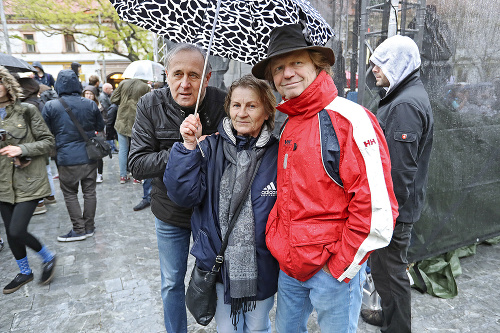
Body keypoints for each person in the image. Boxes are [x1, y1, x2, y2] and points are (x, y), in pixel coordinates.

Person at [251, 24, 398, 332]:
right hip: (290, 267)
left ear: (317, 66)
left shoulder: (349, 119)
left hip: (333, 271)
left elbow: (377, 210)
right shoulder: (287, 122)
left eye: (297, 63)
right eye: (278, 67)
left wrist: (340, 268)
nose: (287, 73)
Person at [164, 75, 279, 332]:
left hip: (262, 264)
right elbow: (183, 195)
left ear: (267, 111)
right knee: (227, 330)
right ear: (228, 108)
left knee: (259, 327)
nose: (242, 113)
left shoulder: (278, 153)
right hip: (217, 265)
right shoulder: (209, 147)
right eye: (236, 105)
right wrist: (188, 147)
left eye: (251, 105)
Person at [128, 43, 226, 333]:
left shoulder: (224, 102)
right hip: (170, 211)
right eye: (178, 74)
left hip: (212, 210)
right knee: (172, 281)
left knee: (219, 277)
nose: (185, 84)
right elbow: (137, 164)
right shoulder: (150, 104)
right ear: (166, 75)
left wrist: (213, 144)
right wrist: (185, 148)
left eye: (194, 75)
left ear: (207, 78)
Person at [361, 35, 434, 333]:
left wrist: (385, 215)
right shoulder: (405, 95)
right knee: (384, 270)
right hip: (396, 207)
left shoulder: (404, 105)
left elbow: (400, 171)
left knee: (390, 273)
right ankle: (390, 316)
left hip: (395, 211)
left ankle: (398, 327)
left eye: (381, 61)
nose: (374, 68)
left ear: (399, 64)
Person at [0, 66, 57, 294]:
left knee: (16, 230)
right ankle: (25, 271)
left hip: (28, 180)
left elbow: (47, 141)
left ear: (7, 84)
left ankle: (48, 257)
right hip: (2, 183)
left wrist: (21, 149)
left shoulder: (26, 111)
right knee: (10, 232)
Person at [42, 70, 105, 242]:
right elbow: (100, 125)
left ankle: (79, 229)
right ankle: (89, 227)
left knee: (70, 193)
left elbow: (45, 131)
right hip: (89, 155)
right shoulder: (90, 104)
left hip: (66, 157)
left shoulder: (51, 106)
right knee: (90, 192)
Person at [16, 77, 57, 214]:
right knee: (46, 170)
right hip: (41, 143)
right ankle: (50, 196)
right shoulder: (40, 102)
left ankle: (39, 203)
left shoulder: (28, 106)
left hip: (34, 144)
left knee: (37, 171)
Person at [110, 77, 150, 184]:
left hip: (122, 120)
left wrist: (123, 101)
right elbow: (148, 104)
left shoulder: (123, 83)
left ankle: (123, 176)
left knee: (123, 149)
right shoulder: (145, 87)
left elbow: (113, 99)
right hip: (137, 121)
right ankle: (136, 177)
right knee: (136, 149)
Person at [83, 85, 105, 183]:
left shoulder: (99, 106)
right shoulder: (81, 106)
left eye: (90, 94)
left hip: (98, 133)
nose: (88, 96)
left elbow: (104, 120)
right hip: (86, 133)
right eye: (86, 94)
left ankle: (99, 174)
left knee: (97, 154)